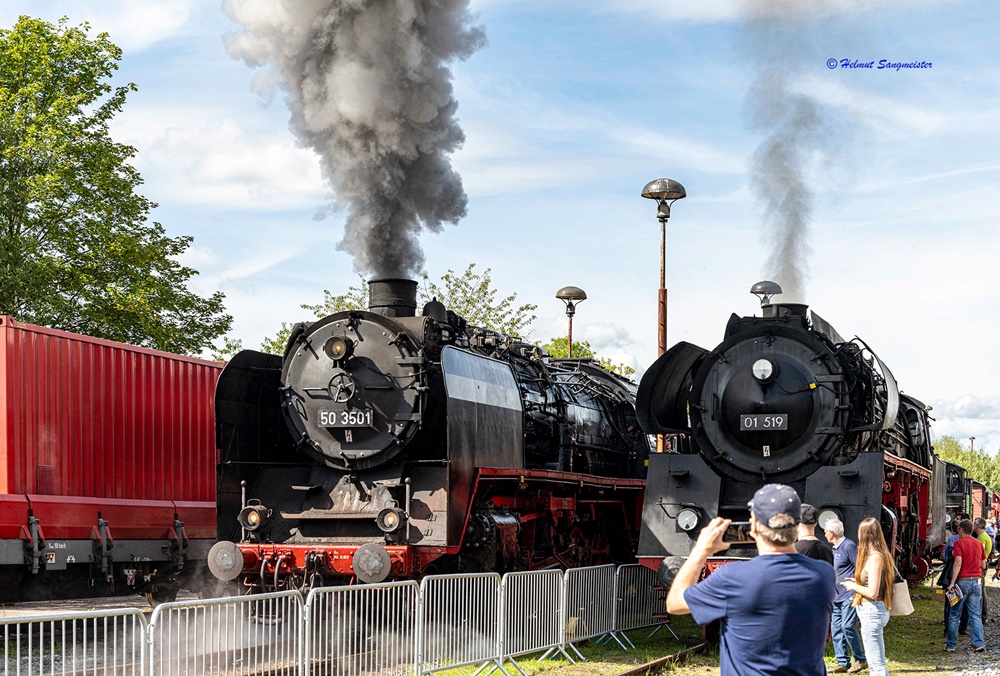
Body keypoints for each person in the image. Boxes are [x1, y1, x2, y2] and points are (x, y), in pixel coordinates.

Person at [666, 484, 835, 675]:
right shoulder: (824, 575)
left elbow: (674, 603)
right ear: (797, 525)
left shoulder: (733, 577)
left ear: (753, 525)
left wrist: (700, 550)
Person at [841, 518, 896, 676]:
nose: (857, 534)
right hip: (871, 609)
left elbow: (872, 591)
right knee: (875, 660)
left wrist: (853, 586)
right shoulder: (875, 555)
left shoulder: (875, 557)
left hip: (873, 609)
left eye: (859, 532)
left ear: (865, 535)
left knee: (876, 663)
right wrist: (857, 581)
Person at [824, 517, 867, 673]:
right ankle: (842, 661)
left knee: (847, 626)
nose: (824, 534)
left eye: (826, 531)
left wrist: (851, 585)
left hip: (849, 594)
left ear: (832, 532)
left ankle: (861, 659)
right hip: (836, 595)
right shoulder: (835, 547)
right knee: (836, 628)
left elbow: (860, 570)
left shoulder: (848, 546)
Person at [945, 519, 986, 652]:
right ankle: (978, 643)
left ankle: (951, 645)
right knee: (975, 614)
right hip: (977, 581)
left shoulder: (958, 543)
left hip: (962, 582)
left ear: (961, 530)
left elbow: (958, 562)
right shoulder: (979, 543)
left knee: (955, 614)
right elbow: (983, 564)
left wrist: (952, 583)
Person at [974, 518, 992, 624]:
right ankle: (983, 615)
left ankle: (982, 615)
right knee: (981, 591)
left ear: (977, 525)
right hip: (983, 565)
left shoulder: (981, 538)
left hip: (981, 566)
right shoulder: (984, 536)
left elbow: (979, 555)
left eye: (974, 523)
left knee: (980, 591)